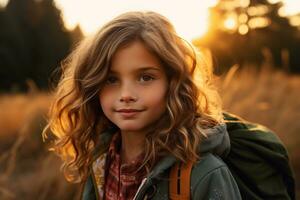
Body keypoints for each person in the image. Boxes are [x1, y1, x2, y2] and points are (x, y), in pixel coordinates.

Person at [43, 11, 242, 199]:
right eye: (111, 80)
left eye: (145, 77)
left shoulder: (204, 174)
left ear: (173, 84)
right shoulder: (100, 162)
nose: (126, 95)